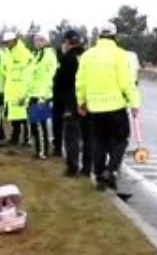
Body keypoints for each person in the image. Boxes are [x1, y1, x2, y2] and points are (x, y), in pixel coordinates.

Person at [77, 22, 141, 192]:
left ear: (99, 36)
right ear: (115, 36)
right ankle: (111, 170)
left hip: (95, 108)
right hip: (115, 106)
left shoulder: (87, 55)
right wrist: (134, 103)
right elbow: (126, 82)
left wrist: (81, 101)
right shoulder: (120, 55)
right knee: (120, 141)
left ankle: (99, 177)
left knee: (99, 143)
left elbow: (80, 82)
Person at [53, 30, 92, 177]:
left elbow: (60, 81)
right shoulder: (88, 56)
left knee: (71, 135)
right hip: (89, 100)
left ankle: (72, 166)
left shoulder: (67, 58)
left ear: (67, 43)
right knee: (88, 135)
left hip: (72, 100)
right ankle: (87, 167)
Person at [27, 33, 58, 159]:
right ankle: (38, 148)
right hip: (33, 93)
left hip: (42, 95)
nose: (37, 42)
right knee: (34, 123)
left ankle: (43, 151)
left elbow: (50, 77)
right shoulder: (36, 55)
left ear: (46, 41)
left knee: (41, 124)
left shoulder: (49, 55)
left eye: (40, 40)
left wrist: (44, 96)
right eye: (36, 40)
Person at [2, 31, 33, 146]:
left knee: (24, 116)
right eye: (5, 43)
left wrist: (25, 92)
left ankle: (27, 138)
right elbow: (6, 70)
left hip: (21, 89)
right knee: (14, 116)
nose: (6, 44)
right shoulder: (7, 53)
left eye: (8, 42)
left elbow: (29, 73)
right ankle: (15, 137)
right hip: (11, 90)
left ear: (14, 41)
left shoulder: (24, 53)